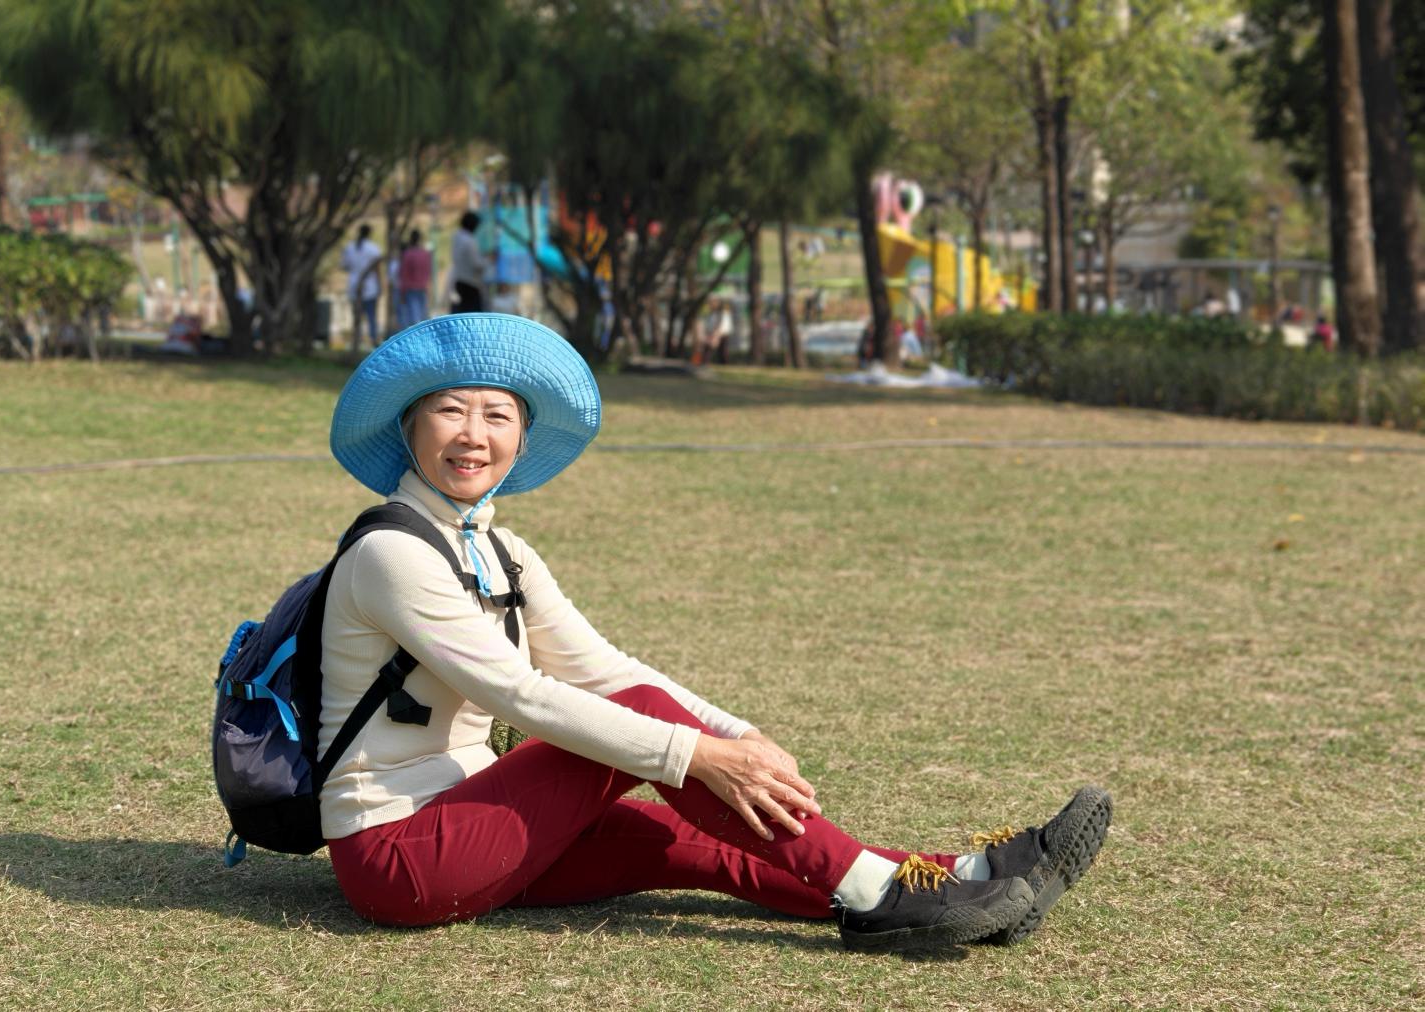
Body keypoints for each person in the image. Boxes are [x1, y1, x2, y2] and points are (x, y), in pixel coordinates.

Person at [318, 313, 1112, 951]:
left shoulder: (502, 552)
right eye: (450, 411)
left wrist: (737, 735)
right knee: (655, 732)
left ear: (521, 440)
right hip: (397, 856)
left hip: (480, 818)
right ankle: (879, 895)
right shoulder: (391, 554)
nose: (473, 434)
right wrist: (699, 753)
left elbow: (601, 667)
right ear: (411, 427)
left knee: (703, 843)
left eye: (497, 415)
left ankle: (966, 880)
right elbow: (521, 697)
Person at [341, 225, 384, 348]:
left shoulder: (349, 247)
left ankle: (356, 340)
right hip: (370, 286)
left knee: (357, 316)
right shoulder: (374, 248)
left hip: (353, 285)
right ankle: (373, 340)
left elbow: (344, 266)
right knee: (371, 316)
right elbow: (377, 269)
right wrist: (380, 285)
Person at [449, 211, 486, 314]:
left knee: (461, 313)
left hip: (459, 279)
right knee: (473, 315)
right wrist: (487, 260)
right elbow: (477, 264)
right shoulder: (470, 241)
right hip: (470, 282)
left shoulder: (456, 236)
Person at [397, 230, 433, 330]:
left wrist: (402, 292)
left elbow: (404, 275)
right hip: (423, 288)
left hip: (411, 289)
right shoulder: (425, 254)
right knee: (423, 317)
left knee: (413, 319)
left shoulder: (408, 254)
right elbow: (428, 271)